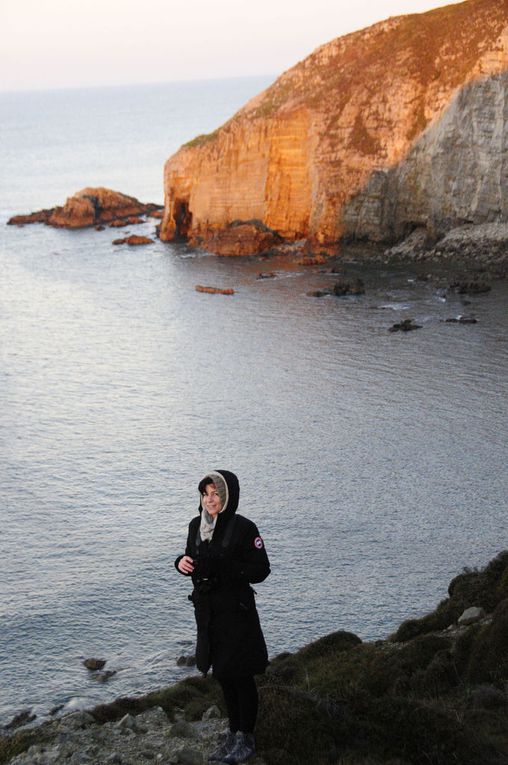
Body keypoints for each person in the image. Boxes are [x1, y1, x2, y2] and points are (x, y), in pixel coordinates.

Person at [175, 469, 270, 764]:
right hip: (208, 614)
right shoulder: (196, 525)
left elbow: (261, 569)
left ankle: (246, 737)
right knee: (224, 675)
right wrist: (180, 562)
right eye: (205, 494)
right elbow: (189, 556)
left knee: (241, 675)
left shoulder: (244, 528)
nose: (210, 499)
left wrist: (228, 569)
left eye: (215, 493)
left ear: (227, 495)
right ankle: (232, 732)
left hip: (236, 613)